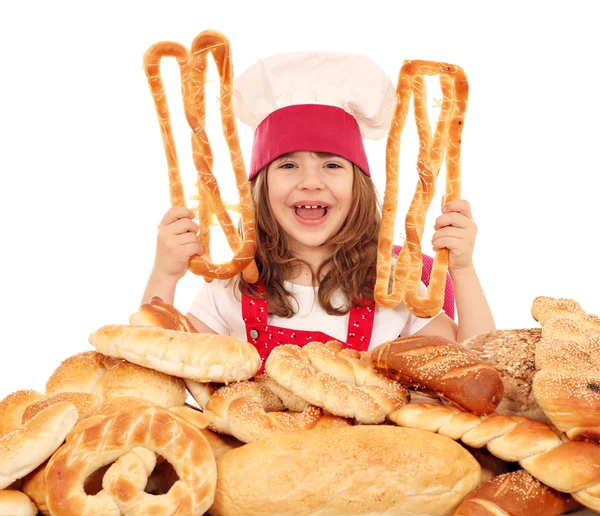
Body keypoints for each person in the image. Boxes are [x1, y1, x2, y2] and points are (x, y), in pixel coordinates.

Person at [141, 51, 495, 367]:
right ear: (259, 190)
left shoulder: (395, 287)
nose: (311, 182)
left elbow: (478, 366)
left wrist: (462, 269)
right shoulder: (228, 291)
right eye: (288, 166)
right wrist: (164, 275)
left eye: (331, 165)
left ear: (360, 188)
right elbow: (155, 365)